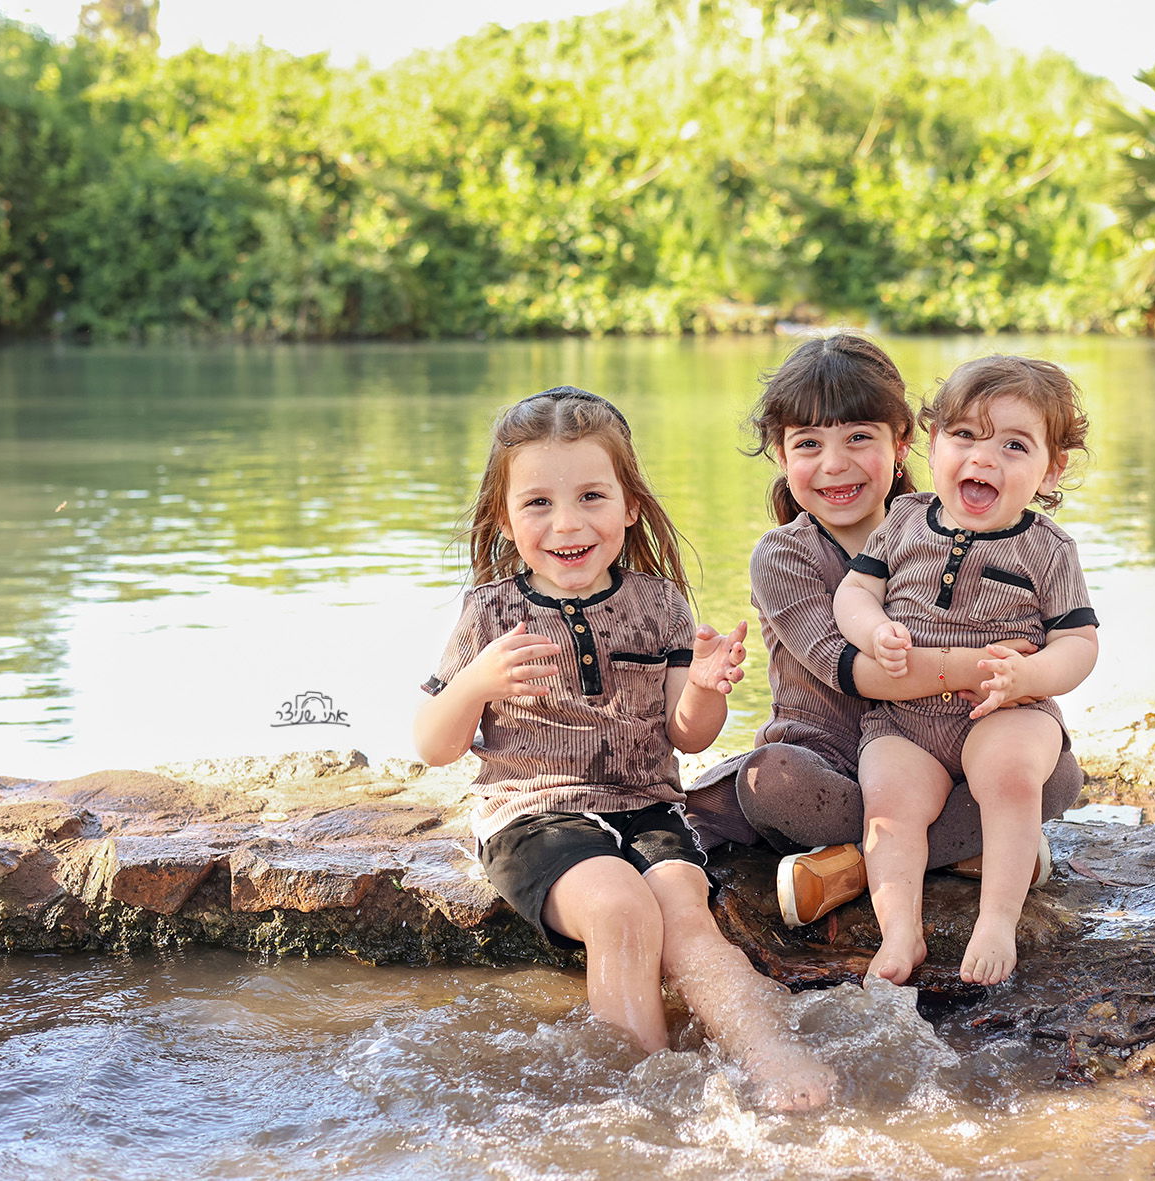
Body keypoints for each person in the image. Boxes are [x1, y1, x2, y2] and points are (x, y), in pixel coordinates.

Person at [413, 386, 835, 1112]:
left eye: (591, 496)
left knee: (685, 915)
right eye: (538, 502)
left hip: (646, 807)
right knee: (618, 909)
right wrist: (475, 682)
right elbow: (433, 744)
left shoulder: (660, 603)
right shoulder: (490, 612)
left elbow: (687, 733)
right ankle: (637, 1094)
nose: (567, 522)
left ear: (630, 504)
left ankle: (772, 1055)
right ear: (505, 519)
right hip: (532, 812)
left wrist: (703, 685)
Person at [684, 335, 1083, 929]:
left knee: (1057, 775)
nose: (834, 464)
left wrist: (1032, 677)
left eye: (859, 438)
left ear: (903, 443)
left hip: (942, 750)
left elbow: (1061, 632)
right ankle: (966, 853)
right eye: (808, 444)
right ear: (780, 453)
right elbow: (858, 671)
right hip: (828, 758)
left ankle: (859, 865)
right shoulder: (783, 556)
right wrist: (986, 666)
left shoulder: (943, 524)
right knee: (770, 780)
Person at [834, 355, 1099, 988]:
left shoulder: (1049, 548)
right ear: (932, 443)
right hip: (909, 720)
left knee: (1010, 774)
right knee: (889, 798)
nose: (984, 459)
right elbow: (852, 594)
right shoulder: (902, 521)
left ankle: (997, 919)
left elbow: (1080, 643)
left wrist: (1031, 677)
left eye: (1014, 445)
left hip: (1007, 710)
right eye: (965, 436)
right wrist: (875, 632)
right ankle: (902, 930)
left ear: (1050, 468)